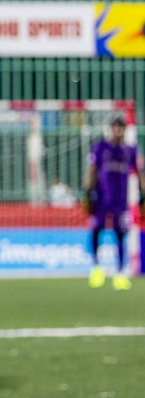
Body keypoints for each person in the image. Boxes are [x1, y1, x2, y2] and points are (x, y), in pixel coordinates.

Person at [83, 116, 138, 290]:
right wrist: (87, 191)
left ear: (125, 130)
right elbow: (92, 170)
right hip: (100, 199)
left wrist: (142, 194)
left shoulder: (129, 150)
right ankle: (96, 268)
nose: (118, 131)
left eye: (121, 128)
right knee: (96, 230)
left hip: (120, 201)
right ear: (111, 129)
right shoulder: (100, 148)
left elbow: (140, 172)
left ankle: (120, 273)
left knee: (121, 235)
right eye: (115, 128)